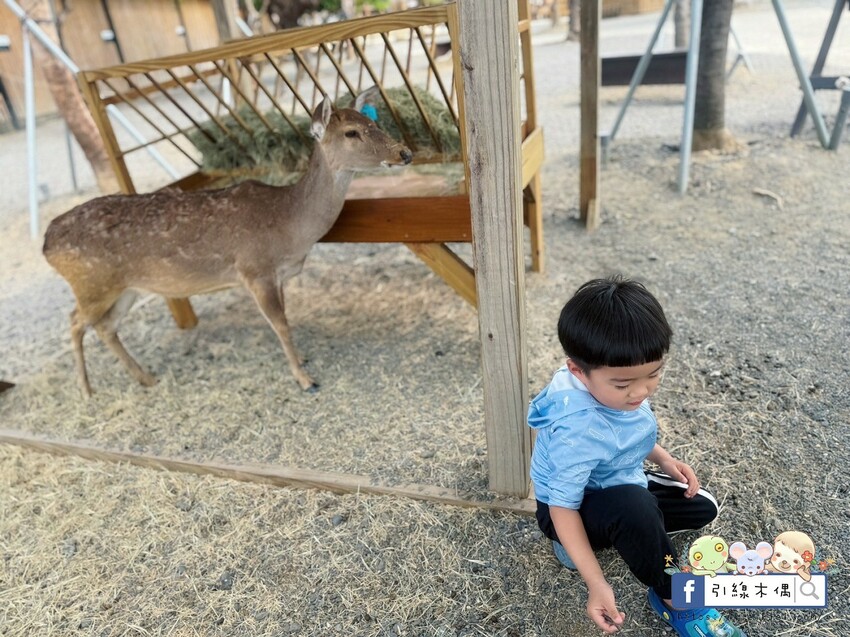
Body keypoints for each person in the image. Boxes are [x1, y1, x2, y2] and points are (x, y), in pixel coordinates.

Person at [528, 276, 745, 636]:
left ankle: (636, 531)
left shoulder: (610, 379)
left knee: (702, 507)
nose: (640, 392)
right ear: (578, 371)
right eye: (623, 384)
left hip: (617, 481)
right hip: (570, 510)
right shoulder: (576, 431)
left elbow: (623, 435)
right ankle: (673, 597)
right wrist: (596, 582)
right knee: (635, 508)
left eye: (653, 374)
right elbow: (562, 507)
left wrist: (663, 459)